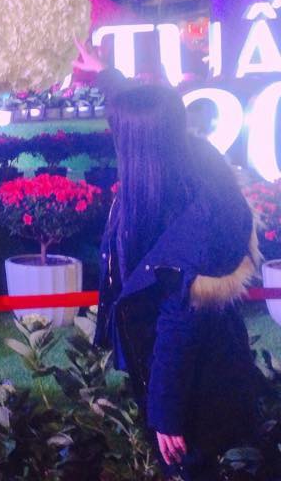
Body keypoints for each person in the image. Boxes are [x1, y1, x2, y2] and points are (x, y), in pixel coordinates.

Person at [75, 46, 263, 480]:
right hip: (209, 365)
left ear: (139, 145)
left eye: (120, 132)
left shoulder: (186, 218)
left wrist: (166, 414)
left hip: (197, 389)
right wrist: (107, 75)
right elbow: (152, 116)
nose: (115, 138)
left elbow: (180, 323)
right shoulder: (192, 161)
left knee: (191, 468)